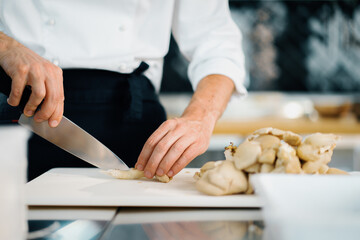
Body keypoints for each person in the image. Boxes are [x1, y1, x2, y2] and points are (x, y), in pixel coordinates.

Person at [0, 0, 247, 181]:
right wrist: (5, 45)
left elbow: (216, 41)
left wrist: (200, 116)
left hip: (132, 120)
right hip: (16, 110)